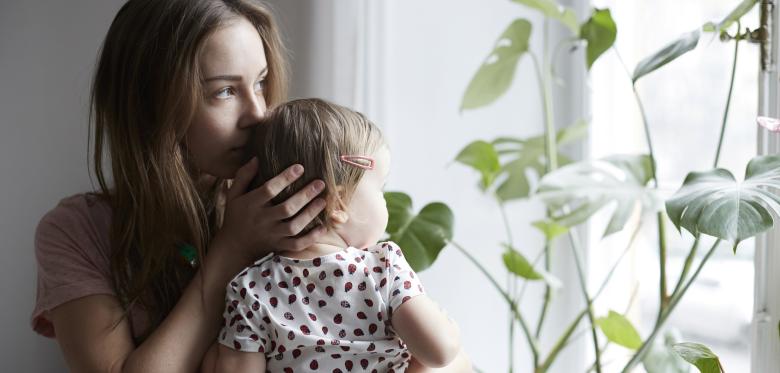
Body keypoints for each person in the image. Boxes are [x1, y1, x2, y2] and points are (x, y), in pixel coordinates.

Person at [30, 0, 471, 371]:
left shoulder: (303, 204)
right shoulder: (77, 232)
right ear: (151, 106)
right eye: (225, 92)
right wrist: (231, 251)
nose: (258, 113)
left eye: (261, 83)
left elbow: (436, 355)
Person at [210, 99, 462, 372]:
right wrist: (448, 327)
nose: (385, 200)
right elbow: (438, 352)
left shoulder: (251, 290)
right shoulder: (384, 269)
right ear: (339, 202)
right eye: (381, 188)